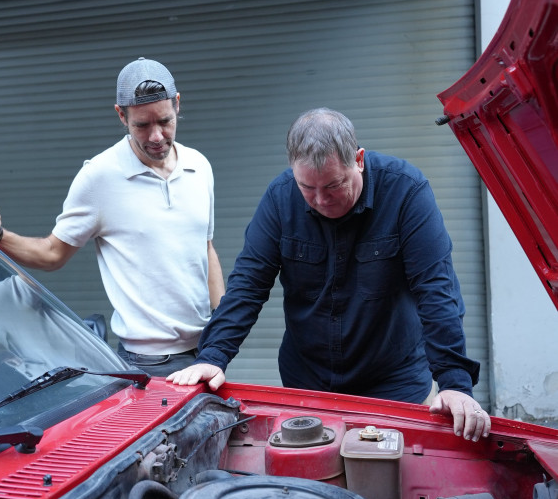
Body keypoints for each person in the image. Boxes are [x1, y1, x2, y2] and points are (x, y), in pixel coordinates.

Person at [168, 108, 490, 442]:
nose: (321, 200)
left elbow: (436, 290)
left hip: (396, 382)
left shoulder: (406, 192)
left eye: (334, 185)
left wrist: (454, 383)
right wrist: (213, 356)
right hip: (308, 382)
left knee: (391, 482)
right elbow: (248, 285)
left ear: (359, 159)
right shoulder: (280, 198)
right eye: (308, 187)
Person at [0, 58, 225, 376]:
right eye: (142, 125)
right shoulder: (99, 177)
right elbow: (52, 254)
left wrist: (222, 334)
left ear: (177, 104)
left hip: (208, 353)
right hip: (151, 365)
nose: (156, 136)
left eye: (165, 121)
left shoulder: (199, 166)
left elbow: (206, 248)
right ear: (121, 115)